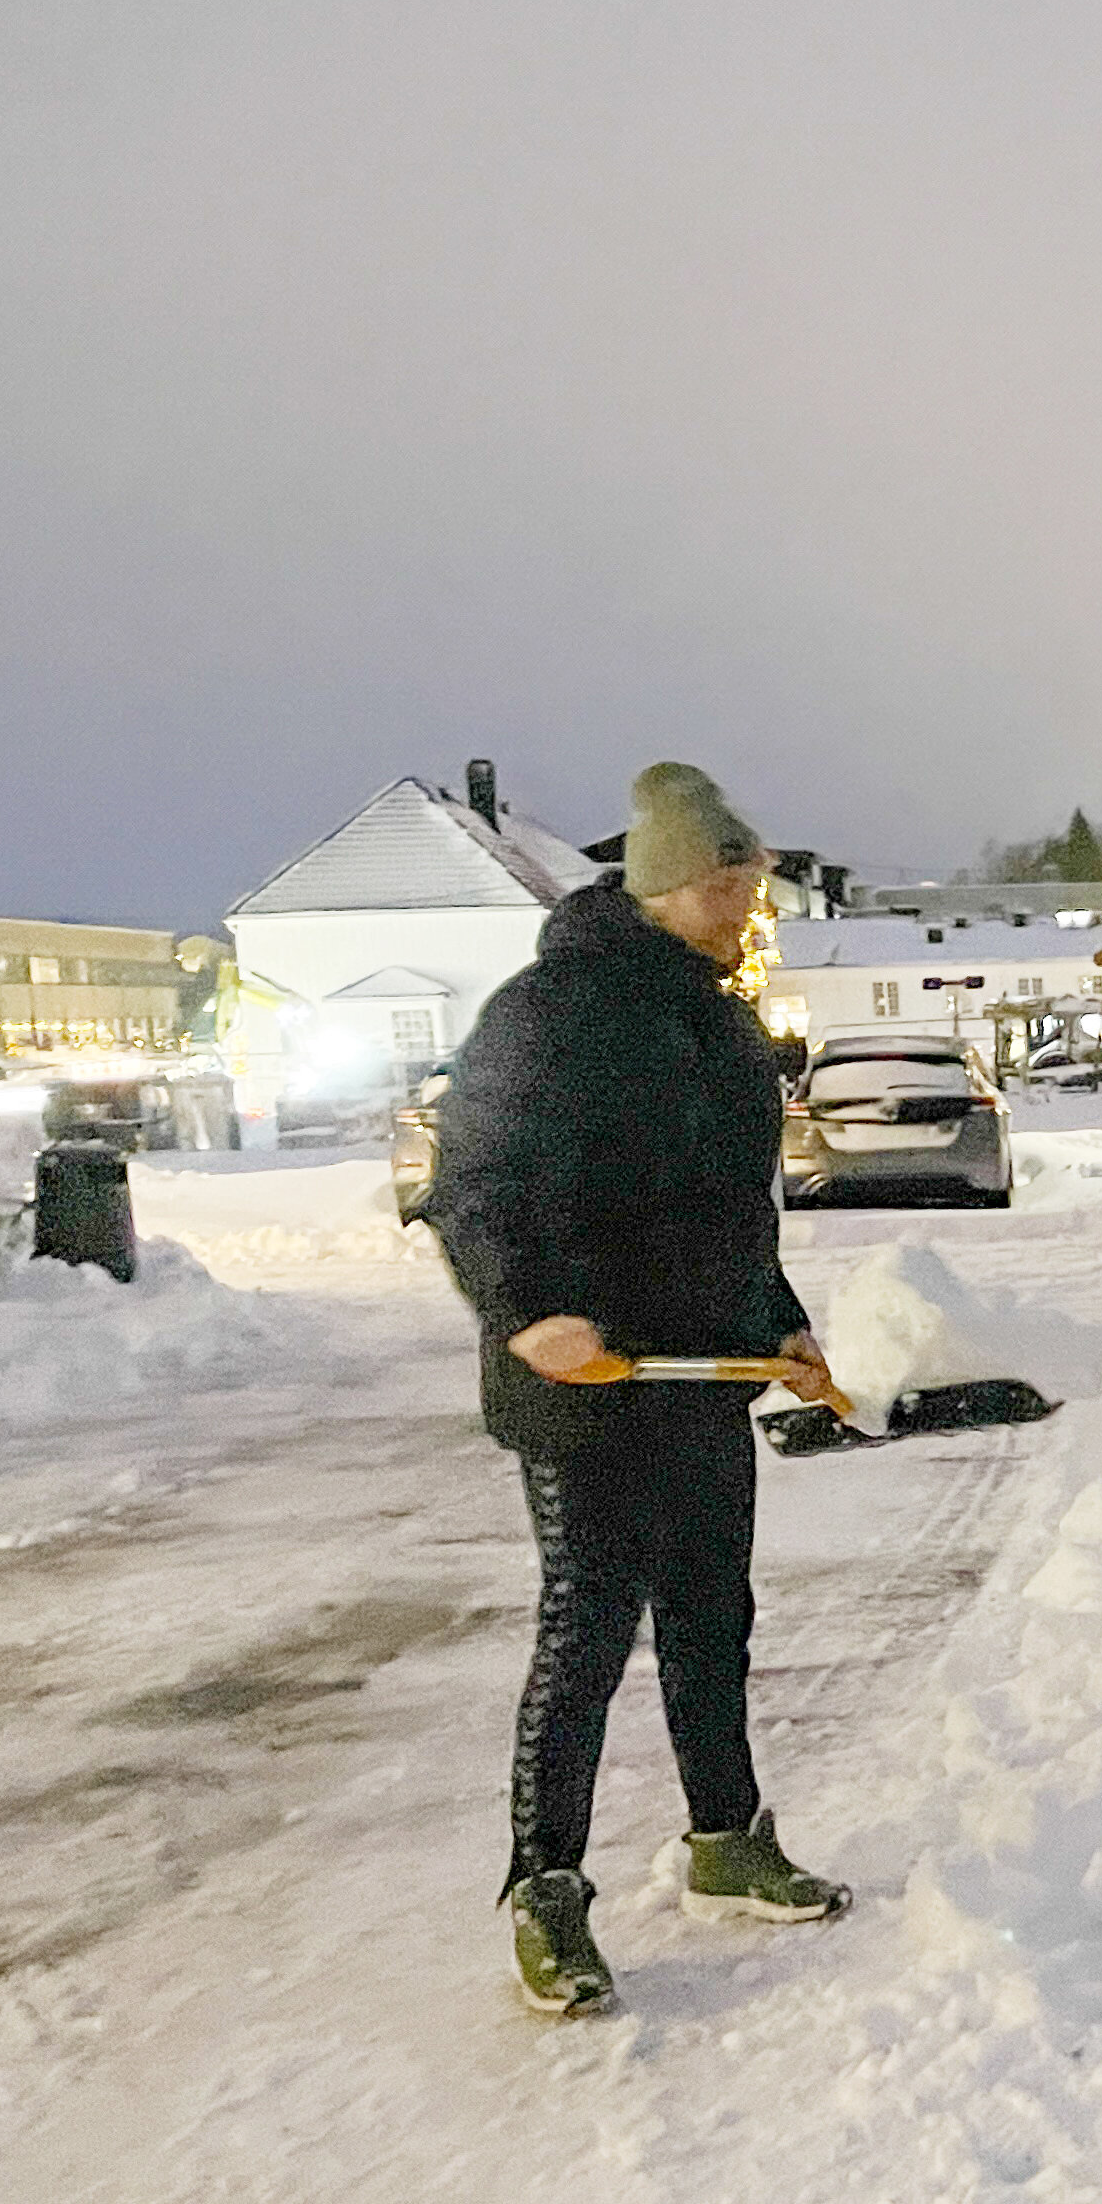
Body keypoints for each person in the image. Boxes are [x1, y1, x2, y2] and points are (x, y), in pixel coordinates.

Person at [429, 763, 848, 2018]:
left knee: (713, 1619)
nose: (748, 909)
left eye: (755, 883)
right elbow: (473, 1185)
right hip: (584, 1381)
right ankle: (544, 1888)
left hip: (698, 1378)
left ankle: (725, 1840)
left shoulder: (721, 1025)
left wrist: (783, 1332)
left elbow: (737, 1218)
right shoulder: (546, 1012)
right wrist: (524, 1317)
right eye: (734, 886)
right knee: (588, 1631)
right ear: (675, 886)